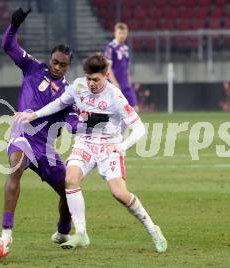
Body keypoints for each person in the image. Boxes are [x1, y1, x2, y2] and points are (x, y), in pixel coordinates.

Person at [15, 54, 168, 253]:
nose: (91, 84)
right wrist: (34, 114)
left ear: (106, 75)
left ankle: (153, 229)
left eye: (96, 79)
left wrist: (121, 146)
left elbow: (139, 128)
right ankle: (81, 233)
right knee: (70, 180)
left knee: (119, 194)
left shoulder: (115, 96)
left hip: (109, 146)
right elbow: (60, 103)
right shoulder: (79, 86)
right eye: (88, 78)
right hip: (85, 142)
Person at [0, 8, 79, 254]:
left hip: (46, 148)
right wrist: (14, 24)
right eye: (55, 62)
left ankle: (63, 231)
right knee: (16, 166)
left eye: (63, 65)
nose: (57, 67)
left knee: (69, 190)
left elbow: (73, 124)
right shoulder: (33, 68)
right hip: (22, 135)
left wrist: (87, 124)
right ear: (50, 59)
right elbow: (8, 46)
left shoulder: (69, 95)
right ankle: (6, 232)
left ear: (68, 66)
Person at [104, 22, 139, 112]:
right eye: (120, 33)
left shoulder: (125, 48)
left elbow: (125, 67)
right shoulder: (110, 47)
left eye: (124, 33)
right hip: (114, 84)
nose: (122, 35)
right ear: (115, 33)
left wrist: (128, 82)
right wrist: (114, 83)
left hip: (125, 84)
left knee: (135, 109)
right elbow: (108, 68)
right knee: (115, 111)